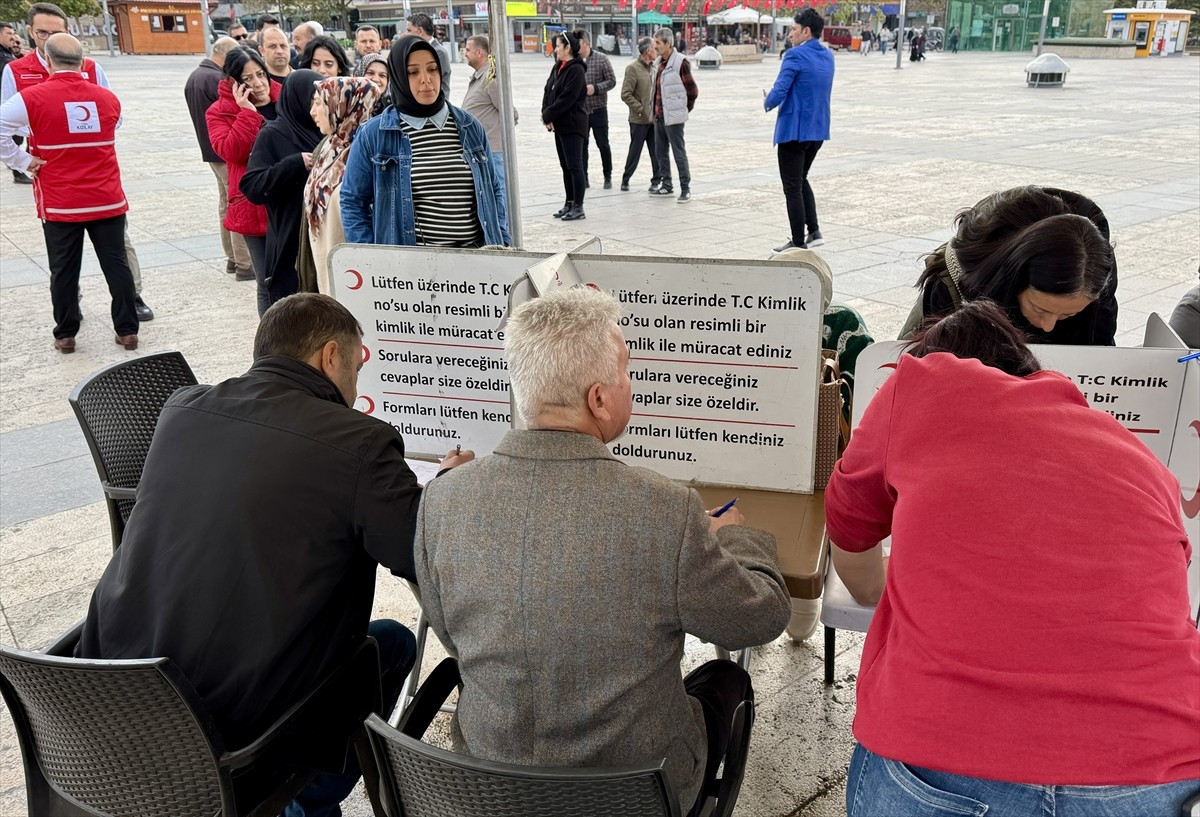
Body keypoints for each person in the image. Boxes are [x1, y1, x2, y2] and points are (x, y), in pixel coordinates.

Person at [75, 292, 475, 817]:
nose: (355, 390)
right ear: (330, 356)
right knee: (393, 645)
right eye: (356, 369)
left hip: (97, 709)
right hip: (228, 747)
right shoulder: (359, 442)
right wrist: (445, 490)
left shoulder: (182, 408)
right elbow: (420, 555)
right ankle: (300, 806)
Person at [415, 286, 791, 817]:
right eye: (626, 372)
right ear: (598, 398)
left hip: (492, 784)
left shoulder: (441, 500)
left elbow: (452, 635)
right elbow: (760, 618)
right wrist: (733, 537)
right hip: (636, 792)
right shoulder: (666, 510)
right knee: (726, 677)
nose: (629, 385)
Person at [826, 300, 1200, 817]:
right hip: (1159, 764)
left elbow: (848, 526)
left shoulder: (923, 382)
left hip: (945, 760)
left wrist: (881, 589)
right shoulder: (1133, 453)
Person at [2, 2, 153, 321]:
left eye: (56, 31)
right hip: (55, 177)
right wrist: (22, 160)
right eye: (43, 31)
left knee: (117, 248)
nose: (49, 37)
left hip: (97, 175)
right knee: (64, 257)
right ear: (31, 32)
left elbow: (115, 116)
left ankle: (132, 298)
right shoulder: (16, 71)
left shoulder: (92, 69)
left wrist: (84, 137)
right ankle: (71, 307)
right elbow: (6, 122)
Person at [341, 36, 509, 247]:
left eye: (432, 69)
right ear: (399, 77)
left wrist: (503, 242)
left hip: (475, 266)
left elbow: (494, 190)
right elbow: (353, 201)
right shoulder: (373, 135)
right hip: (409, 272)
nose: (426, 79)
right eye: (413, 72)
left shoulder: (470, 127)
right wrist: (372, 260)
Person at [900, 186, 1119, 345]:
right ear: (1013, 281)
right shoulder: (954, 281)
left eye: (1066, 316)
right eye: (1040, 309)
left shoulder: (1094, 271)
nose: (1048, 325)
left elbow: (1100, 350)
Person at [241, 69, 323, 311]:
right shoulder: (273, 134)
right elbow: (252, 186)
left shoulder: (325, 129)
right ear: (297, 99)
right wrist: (294, 164)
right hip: (289, 240)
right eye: (313, 99)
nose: (317, 106)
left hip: (318, 238)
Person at [206, 47, 280, 303]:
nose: (258, 84)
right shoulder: (219, 111)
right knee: (267, 280)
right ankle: (271, 342)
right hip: (253, 204)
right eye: (248, 79)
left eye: (260, 74)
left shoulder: (284, 99)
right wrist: (247, 112)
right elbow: (231, 151)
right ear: (233, 81)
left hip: (288, 199)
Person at [300, 76, 380, 294]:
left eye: (319, 103)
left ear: (342, 106)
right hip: (326, 274)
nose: (312, 112)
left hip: (355, 281)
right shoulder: (328, 149)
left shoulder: (365, 155)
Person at [765, 8, 833, 254]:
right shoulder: (828, 56)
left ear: (806, 31)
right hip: (817, 130)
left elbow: (781, 89)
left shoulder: (794, 56)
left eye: (793, 29)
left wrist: (767, 101)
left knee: (792, 186)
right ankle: (814, 231)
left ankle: (797, 241)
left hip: (794, 131)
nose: (790, 34)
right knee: (801, 179)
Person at [185, 36, 253, 281]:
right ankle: (244, 262)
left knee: (226, 203)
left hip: (212, 151)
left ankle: (233, 259)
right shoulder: (215, 79)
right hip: (225, 152)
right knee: (237, 202)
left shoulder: (195, 76)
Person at [460, 34, 514, 230]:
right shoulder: (479, 77)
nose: (465, 54)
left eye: (467, 50)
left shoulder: (490, 76)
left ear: (479, 52)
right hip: (481, 151)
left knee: (498, 197)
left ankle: (504, 235)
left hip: (493, 150)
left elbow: (508, 109)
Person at [541, 32, 588, 221]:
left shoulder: (576, 70)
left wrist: (549, 114)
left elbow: (567, 99)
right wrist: (546, 114)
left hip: (573, 124)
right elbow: (548, 90)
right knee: (565, 166)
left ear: (568, 48)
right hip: (560, 124)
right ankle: (569, 202)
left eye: (559, 46)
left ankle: (578, 206)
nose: (556, 49)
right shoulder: (558, 67)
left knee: (575, 166)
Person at [650, 27, 697, 203]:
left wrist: (684, 109)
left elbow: (692, 90)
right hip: (659, 115)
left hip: (674, 117)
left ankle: (685, 188)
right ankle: (667, 185)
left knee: (678, 152)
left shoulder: (680, 62)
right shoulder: (659, 62)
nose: (655, 46)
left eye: (658, 43)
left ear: (668, 43)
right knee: (660, 152)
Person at [619, 36, 661, 193]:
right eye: (655, 49)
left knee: (656, 151)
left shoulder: (654, 68)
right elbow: (625, 94)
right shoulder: (633, 68)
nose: (657, 51)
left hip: (654, 120)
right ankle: (626, 178)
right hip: (639, 119)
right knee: (635, 150)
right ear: (648, 51)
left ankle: (656, 180)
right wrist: (640, 108)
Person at [576, 29, 615, 190]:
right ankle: (583, 178)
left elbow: (612, 81)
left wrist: (596, 88)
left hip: (598, 109)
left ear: (586, 43)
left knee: (603, 144)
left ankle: (608, 175)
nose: (576, 48)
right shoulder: (575, 61)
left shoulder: (601, 59)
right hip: (581, 111)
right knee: (582, 146)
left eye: (578, 45)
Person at [0, 21, 30, 184]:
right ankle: (19, 171)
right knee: (14, 138)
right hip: (8, 105)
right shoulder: (3, 58)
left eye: (13, 34)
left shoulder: (7, 53)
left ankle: (18, 168)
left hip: (11, 105)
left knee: (18, 138)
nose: (13, 37)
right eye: (8, 34)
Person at [406, 14, 450, 92]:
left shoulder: (438, 52)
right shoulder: (418, 50)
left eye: (409, 30)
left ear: (420, 31)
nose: (407, 34)